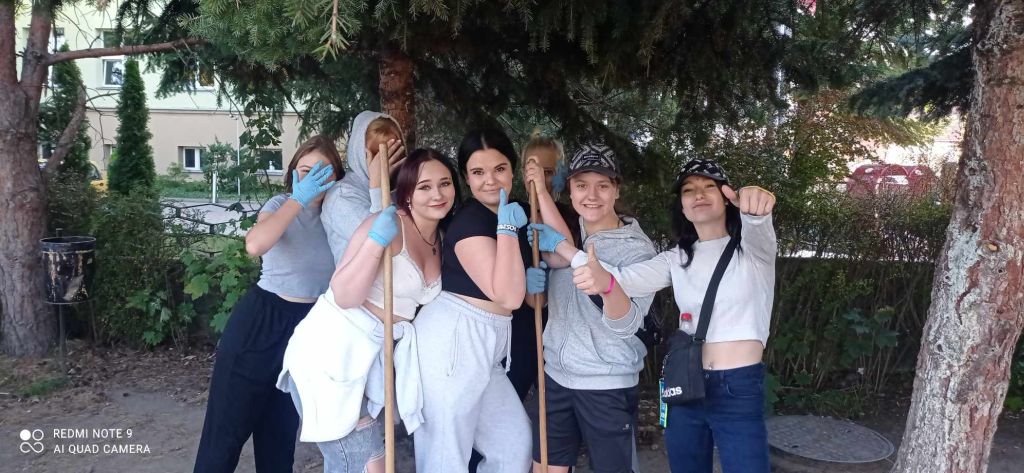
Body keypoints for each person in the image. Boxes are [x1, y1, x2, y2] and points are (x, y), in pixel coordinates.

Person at [541, 158, 777, 473]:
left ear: (726, 197)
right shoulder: (676, 258)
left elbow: (758, 221)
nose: (698, 194)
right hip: (686, 382)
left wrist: (756, 206)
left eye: (709, 186)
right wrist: (564, 250)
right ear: (682, 206)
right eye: (688, 190)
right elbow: (618, 280)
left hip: (737, 385)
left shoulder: (752, 252)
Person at [276, 148, 459, 473]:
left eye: (445, 184)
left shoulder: (441, 238)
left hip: (373, 358)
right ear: (407, 193)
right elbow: (345, 294)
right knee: (361, 464)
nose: (437, 194)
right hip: (333, 352)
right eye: (425, 186)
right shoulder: (385, 223)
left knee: (371, 464)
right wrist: (375, 242)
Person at [413, 129, 568, 473]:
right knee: (446, 453)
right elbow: (509, 296)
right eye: (478, 172)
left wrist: (541, 193)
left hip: (490, 342)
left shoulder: (518, 210)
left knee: (513, 446)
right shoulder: (469, 223)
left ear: (513, 170)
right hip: (454, 342)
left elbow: (560, 255)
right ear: (466, 178)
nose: (490, 180)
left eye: (499, 169)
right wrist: (508, 232)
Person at [193, 136, 344, 473]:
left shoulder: (337, 217)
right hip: (260, 323)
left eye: (323, 171)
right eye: (305, 170)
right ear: (292, 174)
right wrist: (298, 200)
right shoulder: (280, 204)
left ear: (337, 177)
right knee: (223, 439)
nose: (313, 178)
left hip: (307, 332)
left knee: (278, 443)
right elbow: (255, 245)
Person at [525, 143, 657, 473]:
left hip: (606, 384)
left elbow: (628, 322)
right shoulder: (567, 234)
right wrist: (535, 286)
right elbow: (546, 301)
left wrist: (567, 253)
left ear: (616, 190)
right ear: (570, 190)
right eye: (582, 185)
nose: (592, 195)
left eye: (603, 185)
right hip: (556, 377)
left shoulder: (637, 250)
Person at [505, 134, 578, 401]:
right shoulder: (514, 213)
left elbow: (566, 249)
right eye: (534, 172)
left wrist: (543, 194)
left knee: (553, 403)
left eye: (548, 172)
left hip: (562, 325)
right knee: (512, 395)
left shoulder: (570, 215)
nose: (540, 179)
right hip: (522, 327)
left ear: (560, 175)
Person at [322, 111, 406, 264]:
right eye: (377, 155)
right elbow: (380, 244)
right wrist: (377, 187)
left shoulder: (401, 187)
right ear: (360, 154)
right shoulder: (341, 196)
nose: (387, 163)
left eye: (394, 153)